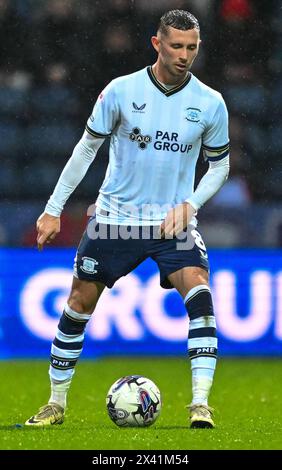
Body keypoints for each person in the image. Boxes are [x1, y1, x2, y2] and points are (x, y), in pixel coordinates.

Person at [25, 9, 229, 429]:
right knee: (78, 305)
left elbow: (220, 167)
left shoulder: (210, 103)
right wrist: (52, 209)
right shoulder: (121, 91)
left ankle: (200, 405)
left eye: (191, 47)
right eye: (176, 46)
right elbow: (86, 150)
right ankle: (55, 402)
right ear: (157, 43)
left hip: (172, 224)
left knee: (201, 297)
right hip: (115, 219)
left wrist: (190, 205)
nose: (184, 55)